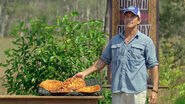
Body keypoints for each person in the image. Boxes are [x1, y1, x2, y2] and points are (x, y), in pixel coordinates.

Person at [73, 5, 159, 104]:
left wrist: (154, 90)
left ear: (139, 20)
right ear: (124, 19)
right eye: (127, 16)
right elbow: (103, 61)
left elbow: (153, 66)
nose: (129, 19)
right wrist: (84, 73)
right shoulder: (115, 40)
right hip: (118, 92)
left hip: (137, 93)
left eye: (133, 16)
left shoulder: (146, 41)